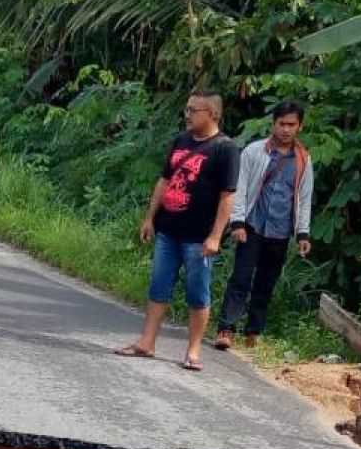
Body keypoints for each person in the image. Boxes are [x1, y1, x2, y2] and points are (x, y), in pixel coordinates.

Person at [114, 91, 240, 371]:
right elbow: (164, 181)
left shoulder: (225, 149)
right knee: (159, 286)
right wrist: (150, 217)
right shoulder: (181, 141)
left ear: (212, 114)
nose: (188, 114)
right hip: (168, 230)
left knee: (198, 292)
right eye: (187, 108)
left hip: (199, 237)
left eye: (194, 110)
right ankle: (146, 342)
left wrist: (217, 235)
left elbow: (227, 196)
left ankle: (194, 350)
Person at [215, 100, 314, 350]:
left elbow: (303, 197)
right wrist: (237, 222)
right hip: (253, 226)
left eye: (292, 124)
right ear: (273, 124)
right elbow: (241, 188)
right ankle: (226, 328)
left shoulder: (303, 160)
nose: (286, 130)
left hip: (280, 231)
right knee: (241, 278)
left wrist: (303, 233)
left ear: (299, 126)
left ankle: (253, 332)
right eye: (282, 124)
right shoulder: (254, 152)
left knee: (266, 283)